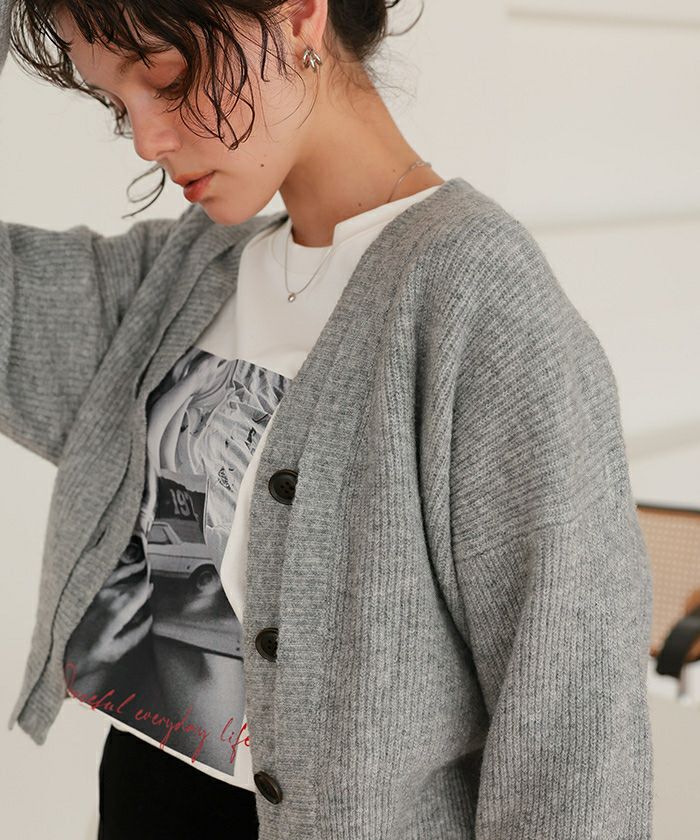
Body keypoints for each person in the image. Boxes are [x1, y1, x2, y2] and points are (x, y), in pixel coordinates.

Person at [0, 2, 655, 839]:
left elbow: (572, 728)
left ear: (300, 15)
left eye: (165, 75)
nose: (146, 140)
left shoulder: (480, 301)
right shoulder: (178, 276)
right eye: (116, 102)